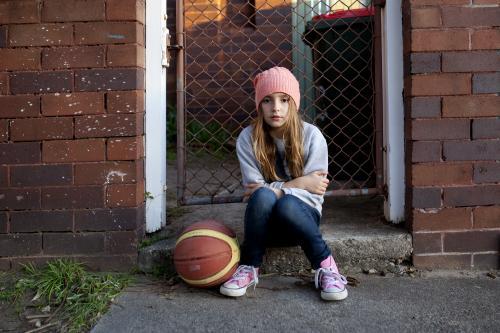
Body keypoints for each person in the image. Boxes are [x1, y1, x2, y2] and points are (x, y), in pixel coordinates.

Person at [219, 66, 348, 301]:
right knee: (264, 198)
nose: (276, 108)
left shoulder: (312, 136)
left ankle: (327, 267)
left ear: (294, 104)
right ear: (259, 105)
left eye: (284, 100)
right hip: (264, 228)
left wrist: (279, 192)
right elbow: (254, 192)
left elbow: (314, 193)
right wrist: (299, 182)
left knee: (286, 204)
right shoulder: (248, 138)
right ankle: (249, 266)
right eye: (267, 100)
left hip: (300, 222)